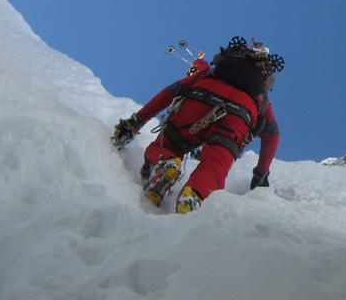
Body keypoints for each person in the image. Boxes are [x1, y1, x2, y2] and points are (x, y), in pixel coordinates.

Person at [111, 36, 283, 213]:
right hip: (239, 116)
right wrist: (260, 175)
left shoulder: (209, 73)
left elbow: (169, 92)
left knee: (168, 144)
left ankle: (164, 163)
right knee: (215, 166)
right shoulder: (261, 100)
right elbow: (273, 134)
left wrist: (136, 122)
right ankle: (194, 196)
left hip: (199, 99)